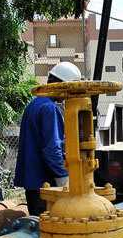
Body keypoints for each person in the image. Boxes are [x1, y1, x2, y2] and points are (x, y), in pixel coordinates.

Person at [14, 62, 81, 216]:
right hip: (44, 183)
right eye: (68, 90)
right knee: (50, 228)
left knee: (37, 226)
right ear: (60, 85)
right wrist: (63, 178)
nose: (67, 95)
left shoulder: (34, 104)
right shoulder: (49, 108)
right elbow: (52, 149)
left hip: (33, 182)